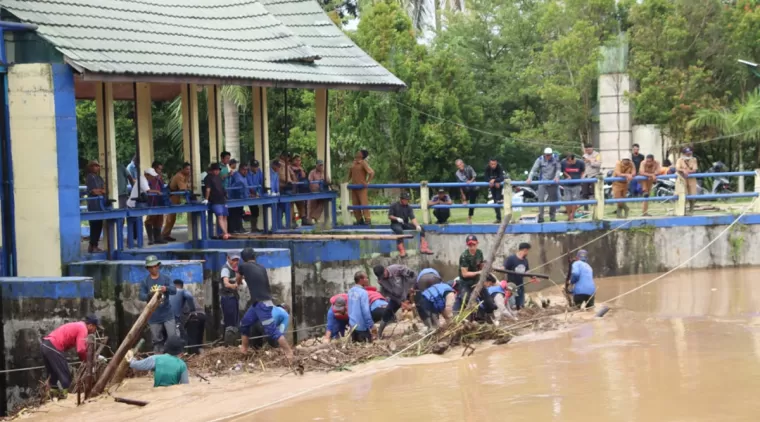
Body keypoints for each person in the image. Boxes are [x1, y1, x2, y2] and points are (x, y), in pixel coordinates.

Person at [236, 247, 294, 361]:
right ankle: (244, 349)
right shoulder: (262, 267)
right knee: (245, 323)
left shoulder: (243, 266)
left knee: (271, 331)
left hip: (262, 305)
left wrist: (237, 284)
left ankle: (289, 352)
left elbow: (238, 279)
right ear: (254, 257)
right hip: (258, 303)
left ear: (243, 259)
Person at [40, 315, 101, 393]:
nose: (95, 331)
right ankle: (68, 396)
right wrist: (86, 362)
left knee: (53, 374)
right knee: (65, 375)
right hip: (53, 345)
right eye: (96, 328)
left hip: (45, 344)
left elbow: (82, 347)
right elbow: (81, 350)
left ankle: (52, 396)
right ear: (91, 325)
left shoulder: (79, 325)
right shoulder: (83, 329)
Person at [139, 255, 178, 353]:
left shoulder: (166, 278)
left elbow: (174, 290)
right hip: (153, 316)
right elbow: (141, 296)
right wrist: (149, 296)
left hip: (167, 314)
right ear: (148, 269)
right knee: (157, 341)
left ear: (158, 266)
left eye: (155, 266)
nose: (154, 268)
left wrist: (166, 289)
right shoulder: (145, 282)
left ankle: (174, 357)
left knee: (172, 337)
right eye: (151, 267)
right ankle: (158, 359)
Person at [373, 264, 417, 338]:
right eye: (381, 277)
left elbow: (413, 275)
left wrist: (413, 287)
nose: (383, 277)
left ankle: (428, 325)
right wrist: (400, 302)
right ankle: (379, 334)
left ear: (385, 269)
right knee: (387, 312)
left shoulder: (397, 269)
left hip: (408, 291)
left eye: (383, 274)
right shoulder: (381, 281)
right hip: (397, 297)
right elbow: (388, 293)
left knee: (420, 305)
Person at [388, 192, 433, 257]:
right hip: (395, 223)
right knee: (399, 230)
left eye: (408, 200)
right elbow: (390, 216)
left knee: (422, 229)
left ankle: (424, 247)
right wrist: (397, 218)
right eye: (406, 200)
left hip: (404, 223)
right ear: (401, 199)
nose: (407, 201)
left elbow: (412, 218)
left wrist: (417, 225)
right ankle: (401, 250)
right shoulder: (394, 205)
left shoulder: (409, 207)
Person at [527, 148, 562, 223]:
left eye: (549, 155)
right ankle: (541, 217)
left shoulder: (556, 158)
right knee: (541, 199)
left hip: (553, 181)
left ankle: (552, 217)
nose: (548, 156)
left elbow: (558, 169)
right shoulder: (540, 159)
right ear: (544, 154)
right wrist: (529, 178)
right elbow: (533, 170)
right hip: (543, 181)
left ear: (552, 154)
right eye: (547, 155)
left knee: (553, 200)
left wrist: (557, 177)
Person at [503, 242, 538, 310]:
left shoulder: (525, 260)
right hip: (511, 285)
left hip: (521, 284)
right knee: (512, 303)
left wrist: (532, 277)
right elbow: (504, 269)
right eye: (527, 251)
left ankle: (519, 311)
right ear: (525, 250)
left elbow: (527, 271)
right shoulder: (511, 259)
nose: (527, 253)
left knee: (520, 303)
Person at [162, 162, 192, 242]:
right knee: (170, 217)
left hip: (177, 196)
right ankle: (164, 234)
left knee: (173, 218)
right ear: (182, 169)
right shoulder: (179, 176)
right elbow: (183, 188)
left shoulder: (185, 176)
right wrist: (188, 185)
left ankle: (166, 234)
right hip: (172, 196)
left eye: (189, 169)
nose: (188, 171)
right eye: (187, 169)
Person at [456, 235, 484, 311]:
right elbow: (464, 274)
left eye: (474, 245)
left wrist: (485, 269)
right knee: (466, 300)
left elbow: (481, 266)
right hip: (466, 283)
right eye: (470, 245)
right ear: (467, 245)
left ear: (477, 243)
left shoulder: (479, 253)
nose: (472, 247)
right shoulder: (464, 256)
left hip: (477, 281)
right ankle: (469, 319)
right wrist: (478, 272)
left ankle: (485, 316)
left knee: (488, 300)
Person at [347, 150, 375, 225]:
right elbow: (350, 174)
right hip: (354, 186)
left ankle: (367, 219)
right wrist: (346, 182)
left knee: (364, 203)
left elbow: (371, 173)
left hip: (361, 186)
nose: (357, 152)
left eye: (359, 152)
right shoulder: (354, 163)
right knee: (355, 204)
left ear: (362, 155)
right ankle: (359, 220)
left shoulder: (363, 163)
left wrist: (367, 182)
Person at [203, 163, 230, 239]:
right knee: (220, 216)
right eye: (215, 170)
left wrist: (225, 195)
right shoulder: (208, 178)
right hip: (215, 200)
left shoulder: (218, 177)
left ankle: (225, 232)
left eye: (218, 170)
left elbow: (222, 187)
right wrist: (206, 199)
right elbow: (208, 189)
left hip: (222, 199)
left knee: (225, 216)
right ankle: (225, 233)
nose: (217, 171)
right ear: (212, 170)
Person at [347, 271, 375, 342]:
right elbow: (365, 311)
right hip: (361, 327)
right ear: (361, 280)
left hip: (353, 326)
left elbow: (349, 308)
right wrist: (371, 325)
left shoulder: (350, 291)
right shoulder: (363, 293)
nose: (367, 279)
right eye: (366, 278)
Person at [85, 160, 106, 253]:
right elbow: (93, 191)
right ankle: (92, 245)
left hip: (100, 204)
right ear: (90, 167)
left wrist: (100, 191)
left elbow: (104, 190)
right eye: (94, 166)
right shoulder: (89, 177)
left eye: (97, 166)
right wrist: (100, 191)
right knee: (94, 224)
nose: (96, 167)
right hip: (93, 204)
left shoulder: (99, 178)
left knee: (99, 225)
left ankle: (94, 245)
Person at [220, 252, 241, 343]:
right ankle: (228, 344)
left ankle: (233, 341)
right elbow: (226, 283)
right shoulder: (225, 269)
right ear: (228, 258)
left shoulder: (234, 268)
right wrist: (235, 285)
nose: (235, 262)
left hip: (233, 297)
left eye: (237, 260)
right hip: (228, 298)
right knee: (230, 321)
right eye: (233, 260)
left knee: (235, 320)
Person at [561, 154, 585, 221]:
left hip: (576, 184)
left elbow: (583, 171)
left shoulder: (580, 162)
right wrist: (568, 176)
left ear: (573, 159)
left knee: (575, 201)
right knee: (567, 201)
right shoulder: (563, 162)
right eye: (567, 161)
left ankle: (572, 215)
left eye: (570, 161)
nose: (568, 163)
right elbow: (563, 171)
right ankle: (569, 216)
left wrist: (582, 178)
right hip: (567, 184)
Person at [228, 163, 251, 234]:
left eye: (247, 170)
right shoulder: (237, 175)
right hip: (234, 198)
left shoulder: (244, 176)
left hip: (241, 199)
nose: (246, 172)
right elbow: (239, 186)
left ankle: (239, 228)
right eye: (244, 170)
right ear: (240, 169)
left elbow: (245, 188)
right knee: (234, 214)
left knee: (239, 213)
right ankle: (234, 229)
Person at [676, 147, 699, 215]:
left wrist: (688, 171)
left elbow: (694, 169)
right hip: (682, 178)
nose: (689, 155)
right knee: (683, 194)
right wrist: (683, 170)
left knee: (692, 194)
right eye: (687, 154)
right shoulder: (680, 160)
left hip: (691, 178)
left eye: (690, 153)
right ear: (684, 154)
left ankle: (691, 210)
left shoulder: (694, 159)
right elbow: (677, 168)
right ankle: (683, 211)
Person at [455, 159, 478, 224]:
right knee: (464, 198)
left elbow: (474, 175)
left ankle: (469, 217)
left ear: (463, 163)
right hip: (465, 189)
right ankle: (464, 200)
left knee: (472, 202)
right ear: (457, 166)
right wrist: (463, 195)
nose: (460, 166)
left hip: (473, 188)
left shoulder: (469, 167)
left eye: (460, 164)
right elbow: (460, 185)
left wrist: (470, 181)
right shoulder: (457, 173)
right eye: (458, 165)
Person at [484, 158, 506, 223]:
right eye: (492, 164)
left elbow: (502, 177)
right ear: (489, 164)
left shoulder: (499, 167)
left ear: (496, 163)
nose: (493, 166)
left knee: (498, 199)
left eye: (494, 164)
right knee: (495, 201)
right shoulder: (487, 168)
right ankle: (498, 218)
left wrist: (495, 180)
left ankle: (502, 199)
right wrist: (491, 181)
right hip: (493, 186)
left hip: (499, 186)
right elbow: (485, 178)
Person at [307, 160, 328, 225]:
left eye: (322, 165)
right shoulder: (312, 172)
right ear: (316, 165)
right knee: (312, 205)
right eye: (319, 165)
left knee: (322, 203)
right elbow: (309, 181)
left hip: (322, 191)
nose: (321, 167)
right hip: (313, 191)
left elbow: (328, 180)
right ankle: (310, 221)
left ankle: (315, 217)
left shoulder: (324, 172)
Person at [291, 154, 309, 225]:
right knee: (291, 205)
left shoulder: (301, 168)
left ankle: (304, 220)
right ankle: (292, 221)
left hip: (300, 189)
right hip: (292, 189)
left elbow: (304, 176)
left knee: (301, 204)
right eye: (296, 160)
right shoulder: (289, 167)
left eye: (299, 160)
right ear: (293, 161)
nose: (298, 162)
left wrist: (300, 169)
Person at [246, 159, 264, 232]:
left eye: (256, 166)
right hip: (249, 194)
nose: (255, 168)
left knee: (256, 211)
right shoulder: (247, 173)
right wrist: (254, 193)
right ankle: (253, 228)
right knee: (253, 210)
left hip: (256, 194)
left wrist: (259, 193)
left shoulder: (259, 171)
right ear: (250, 167)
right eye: (254, 167)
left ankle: (254, 227)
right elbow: (248, 184)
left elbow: (261, 181)